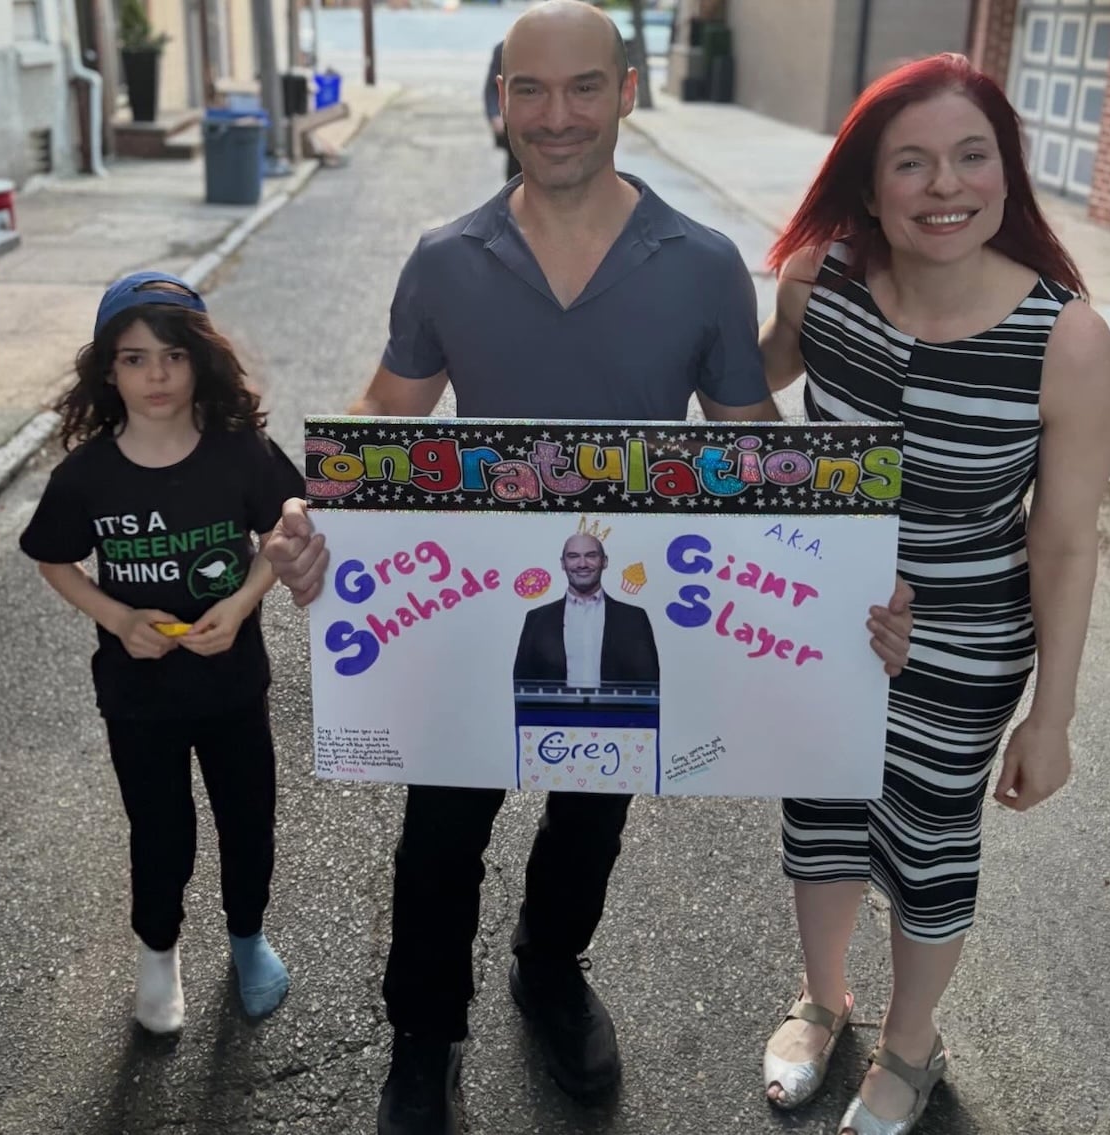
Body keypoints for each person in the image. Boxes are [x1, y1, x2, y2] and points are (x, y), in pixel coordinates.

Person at [265, 4, 912, 1133]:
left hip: (624, 612)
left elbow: (749, 440)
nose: (554, 116)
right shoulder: (444, 259)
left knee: (592, 814)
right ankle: (425, 1036)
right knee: (439, 835)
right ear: (501, 97)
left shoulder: (704, 264)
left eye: (581, 89)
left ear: (626, 90)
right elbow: (385, 417)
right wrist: (305, 512)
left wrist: (849, 577)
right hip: (470, 617)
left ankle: (548, 967)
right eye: (529, 90)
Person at [757, 53, 1110, 1134]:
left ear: (1008, 174)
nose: (945, 184)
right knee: (820, 818)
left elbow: (1061, 547)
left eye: (972, 156)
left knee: (926, 838)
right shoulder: (819, 280)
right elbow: (739, 394)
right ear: (868, 186)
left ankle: (911, 1047)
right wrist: (791, 542)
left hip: (965, 642)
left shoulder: (1068, 341)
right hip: (822, 619)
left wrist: (1050, 719)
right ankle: (824, 998)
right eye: (909, 163)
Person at [19, 272, 304, 1035]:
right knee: (159, 829)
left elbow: (285, 537)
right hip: (139, 696)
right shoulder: (86, 477)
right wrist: (117, 616)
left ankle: (248, 939)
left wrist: (241, 604)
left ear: (200, 362)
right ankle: (158, 953)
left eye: (173, 356)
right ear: (107, 370)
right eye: (135, 358)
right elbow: (53, 559)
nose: (156, 375)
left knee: (249, 820)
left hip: (233, 686)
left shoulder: (241, 453)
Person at [513, 531, 659, 689]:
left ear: (605, 561)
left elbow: (650, 682)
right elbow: (521, 682)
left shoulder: (634, 619)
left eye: (591, 555)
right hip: (555, 714)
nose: (582, 564)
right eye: (573, 556)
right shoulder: (537, 619)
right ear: (563, 563)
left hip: (616, 714)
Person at [484, 39, 522, 182]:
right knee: (515, 172)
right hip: (513, 124)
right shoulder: (503, 49)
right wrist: (494, 115)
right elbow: (491, 88)